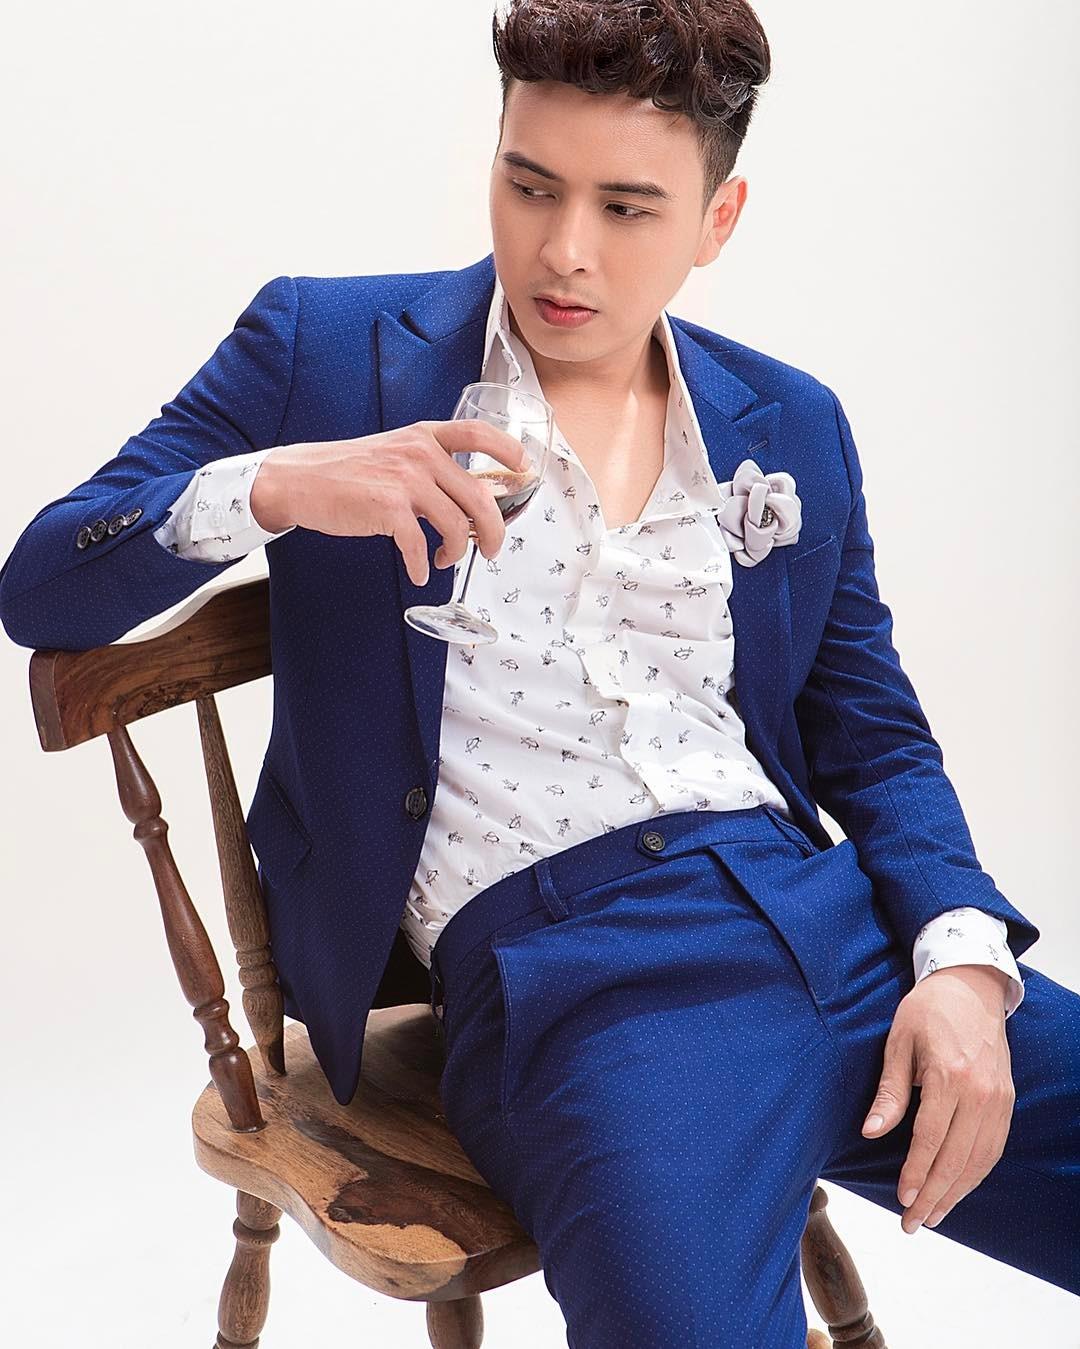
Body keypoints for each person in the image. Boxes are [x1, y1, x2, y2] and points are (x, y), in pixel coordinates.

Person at [2, 0, 1076, 1342]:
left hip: (829, 925)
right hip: (581, 979)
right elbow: (39, 582)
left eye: (628, 208)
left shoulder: (792, 420)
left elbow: (876, 738)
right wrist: (277, 486)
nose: (564, 250)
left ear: (717, 220)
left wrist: (962, 962)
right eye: (530, 185)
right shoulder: (327, 349)